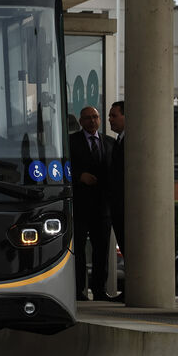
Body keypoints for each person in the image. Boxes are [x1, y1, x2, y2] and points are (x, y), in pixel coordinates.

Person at [70, 105, 114, 301]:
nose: (92, 121)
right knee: (78, 250)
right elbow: (62, 170)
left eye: (95, 117)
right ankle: (78, 290)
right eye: (87, 118)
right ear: (81, 122)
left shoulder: (110, 143)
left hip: (102, 206)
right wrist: (79, 177)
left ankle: (99, 290)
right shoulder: (71, 142)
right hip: (80, 206)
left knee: (102, 250)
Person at [108, 100, 126, 301]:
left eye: (114, 115)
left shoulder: (129, 142)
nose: (110, 120)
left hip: (125, 205)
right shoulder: (117, 141)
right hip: (117, 205)